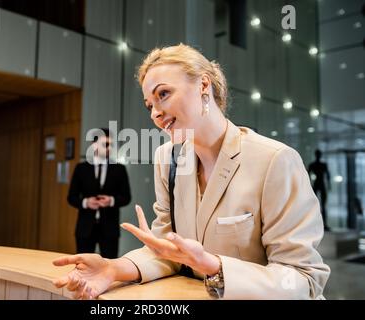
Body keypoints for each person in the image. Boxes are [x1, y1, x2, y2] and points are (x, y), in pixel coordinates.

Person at [52, 44, 330, 300]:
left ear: (203, 86)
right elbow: (167, 252)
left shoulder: (275, 160)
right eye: (149, 104)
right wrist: (114, 269)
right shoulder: (167, 158)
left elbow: (304, 279)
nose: (155, 114)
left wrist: (215, 267)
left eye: (163, 94)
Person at [67, 129, 131, 259]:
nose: (109, 148)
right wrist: (86, 202)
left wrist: (111, 201)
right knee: (82, 264)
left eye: (111, 145)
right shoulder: (81, 168)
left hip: (110, 228)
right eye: (105, 144)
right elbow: (71, 197)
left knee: (110, 265)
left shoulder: (119, 169)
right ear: (94, 145)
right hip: (85, 227)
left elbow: (126, 197)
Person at [308, 149, 331, 230]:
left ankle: (324, 223)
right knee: (316, 206)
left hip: (320, 184)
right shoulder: (314, 165)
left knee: (323, 206)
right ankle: (317, 223)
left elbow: (328, 175)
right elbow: (307, 175)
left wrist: (329, 185)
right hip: (318, 184)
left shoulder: (322, 165)